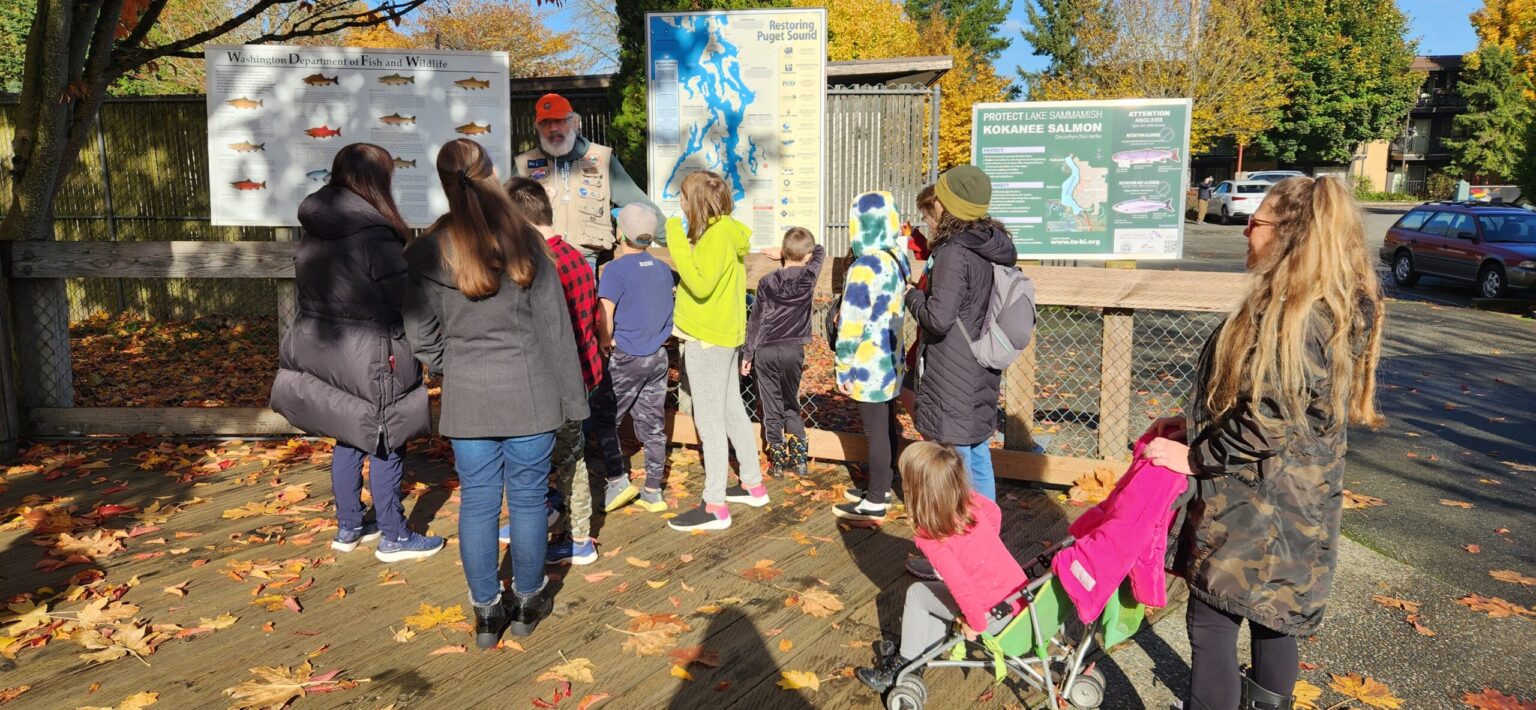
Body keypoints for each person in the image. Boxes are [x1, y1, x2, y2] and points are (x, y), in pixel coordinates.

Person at [1144, 175, 1384, 709]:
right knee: (1275, 616)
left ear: (1288, 236)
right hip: (1299, 498)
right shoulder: (1329, 305)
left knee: (1213, 617)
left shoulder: (1293, 319)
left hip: (1256, 503)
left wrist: (1195, 456)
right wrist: (1193, 426)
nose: (1244, 232)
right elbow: (1274, 405)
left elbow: (1268, 420)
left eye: (1255, 223)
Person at [403, 139, 589, 647]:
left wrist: (457, 366)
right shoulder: (528, 243)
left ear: (444, 182)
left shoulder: (422, 253)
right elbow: (556, 332)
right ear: (489, 175)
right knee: (529, 501)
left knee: (478, 504)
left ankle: (487, 614)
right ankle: (528, 602)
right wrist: (575, 404)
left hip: (468, 401)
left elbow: (422, 340)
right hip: (531, 395)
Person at [270, 143, 444, 563]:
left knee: (348, 432)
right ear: (374, 181)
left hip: (326, 344)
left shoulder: (315, 229)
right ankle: (394, 535)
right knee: (389, 436)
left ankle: (349, 524)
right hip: (375, 349)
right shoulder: (373, 235)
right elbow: (403, 298)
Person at [853, 442, 1028, 693]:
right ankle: (921, 653)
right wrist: (983, 549)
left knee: (917, 594)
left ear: (915, 489)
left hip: (992, 616)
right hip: (1017, 598)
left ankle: (903, 665)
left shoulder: (931, 536)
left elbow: (962, 586)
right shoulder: (971, 501)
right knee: (935, 593)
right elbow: (995, 512)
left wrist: (974, 624)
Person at [501, 176, 604, 566]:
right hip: (584, 370)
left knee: (566, 458)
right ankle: (542, 514)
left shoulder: (538, 266)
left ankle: (579, 539)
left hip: (556, 381)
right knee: (562, 454)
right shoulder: (576, 256)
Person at [664, 170, 770, 532]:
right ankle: (753, 484)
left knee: (709, 423)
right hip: (725, 336)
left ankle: (714, 506)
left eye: (681, 196)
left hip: (706, 338)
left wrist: (675, 237)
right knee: (731, 410)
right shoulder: (727, 233)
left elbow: (699, 282)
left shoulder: (713, 238)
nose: (678, 202)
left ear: (693, 203)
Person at [905, 165, 1014, 502]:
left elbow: (938, 318)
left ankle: (963, 537)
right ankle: (986, 529)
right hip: (981, 362)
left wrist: (911, 294)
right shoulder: (992, 244)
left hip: (953, 367)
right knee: (977, 449)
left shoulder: (954, 253)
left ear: (949, 205)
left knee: (955, 458)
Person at [514, 93, 663, 272]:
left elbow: (641, 206)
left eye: (560, 120)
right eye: (545, 123)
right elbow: (499, 211)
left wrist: (679, 241)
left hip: (584, 262)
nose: (553, 128)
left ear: (574, 123)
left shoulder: (602, 160)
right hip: (538, 261)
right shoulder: (524, 164)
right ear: (538, 128)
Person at [592, 205, 676, 514]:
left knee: (605, 419)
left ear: (620, 234)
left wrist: (604, 341)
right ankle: (653, 490)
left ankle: (617, 480)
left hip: (626, 356)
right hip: (657, 357)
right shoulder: (662, 268)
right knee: (652, 422)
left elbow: (606, 315)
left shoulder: (614, 270)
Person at [832, 192, 910, 522]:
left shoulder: (865, 267)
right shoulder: (897, 258)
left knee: (874, 431)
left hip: (867, 361)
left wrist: (843, 364)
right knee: (886, 423)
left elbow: (851, 321)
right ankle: (884, 481)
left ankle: (876, 498)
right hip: (891, 357)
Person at [742, 226, 825, 478]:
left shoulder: (767, 282)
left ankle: (777, 461)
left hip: (765, 350)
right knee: (791, 402)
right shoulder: (808, 278)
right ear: (807, 256)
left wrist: (748, 354)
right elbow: (820, 251)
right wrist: (788, 253)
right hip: (792, 349)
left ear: (784, 251)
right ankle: (799, 460)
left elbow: (755, 320)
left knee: (770, 404)